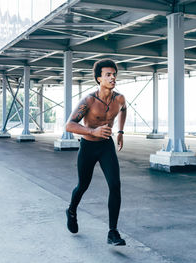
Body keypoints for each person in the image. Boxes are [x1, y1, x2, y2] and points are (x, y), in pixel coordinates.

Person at [65, 59, 127, 246]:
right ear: (99, 78)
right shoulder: (89, 101)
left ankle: (112, 232)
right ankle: (71, 211)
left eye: (114, 74)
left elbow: (124, 110)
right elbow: (69, 125)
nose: (113, 77)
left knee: (115, 185)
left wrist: (121, 132)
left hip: (106, 146)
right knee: (83, 185)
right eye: (108, 74)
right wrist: (93, 131)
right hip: (88, 147)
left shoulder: (119, 99)